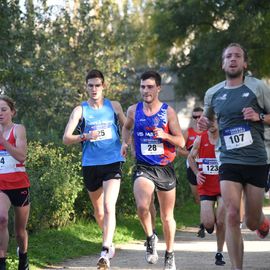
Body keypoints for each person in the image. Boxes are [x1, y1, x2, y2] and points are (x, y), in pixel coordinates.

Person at [198, 43, 270, 270]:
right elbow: (208, 120)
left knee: (251, 221)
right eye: (228, 56)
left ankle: (261, 220)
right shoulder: (213, 93)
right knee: (230, 215)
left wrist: (259, 116)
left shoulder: (258, 87)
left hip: (256, 159)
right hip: (228, 159)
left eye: (238, 56)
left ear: (244, 63)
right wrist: (204, 122)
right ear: (223, 63)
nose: (233, 59)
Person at [121, 70, 185, 270]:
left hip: (165, 168)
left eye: (149, 87)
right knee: (142, 206)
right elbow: (127, 127)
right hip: (143, 167)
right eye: (142, 87)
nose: (145, 90)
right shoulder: (133, 110)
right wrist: (125, 143)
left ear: (158, 88)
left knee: (167, 217)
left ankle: (170, 254)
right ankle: (150, 238)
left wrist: (165, 136)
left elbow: (181, 141)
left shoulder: (168, 112)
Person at [63, 69, 126, 269]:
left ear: (104, 86)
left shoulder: (114, 106)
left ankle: (104, 251)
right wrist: (85, 136)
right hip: (91, 164)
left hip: (112, 163)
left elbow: (127, 127)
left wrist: (126, 143)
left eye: (97, 85)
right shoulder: (80, 110)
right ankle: (109, 241)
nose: (94, 89)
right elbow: (66, 138)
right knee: (99, 212)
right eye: (90, 85)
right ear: (86, 87)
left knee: (109, 207)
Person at [188, 119, 226, 266]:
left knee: (221, 221)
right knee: (208, 223)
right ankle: (209, 226)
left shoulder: (225, 138)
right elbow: (191, 157)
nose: (211, 124)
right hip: (206, 185)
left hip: (224, 184)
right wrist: (197, 172)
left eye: (214, 121)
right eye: (208, 122)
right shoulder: (200, 139)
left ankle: (219, 252)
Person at [0, 95, 30, 270]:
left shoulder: (18, 129)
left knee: (20, 232)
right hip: (1, 185)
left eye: (3, 110)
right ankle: (2, 262)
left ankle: (23, 257)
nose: (0, 113)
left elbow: (21, 156)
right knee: (1, 218)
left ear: (12, 112)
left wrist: (3, 142)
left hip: (19, 185)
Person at [178, 107, 206, 238]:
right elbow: (179, 150)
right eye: (194, 117)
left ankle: (204, 224)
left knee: (210, 195)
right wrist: (192, 154)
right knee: (198, 197)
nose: (197, 119)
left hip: (208, 168)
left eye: (200, 116)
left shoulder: (209, 131)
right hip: (192, 168)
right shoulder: (188, 132)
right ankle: (206, 217)